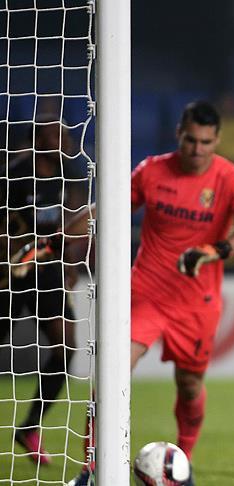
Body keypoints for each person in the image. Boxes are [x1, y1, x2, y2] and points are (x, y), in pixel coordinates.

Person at [70, 101, 234, 485]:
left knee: (190, 386)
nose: (197, 149)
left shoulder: (230, 178)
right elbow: (106, 208)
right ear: (179, 133)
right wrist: (61, 231)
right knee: (112, 374)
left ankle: (183, 460)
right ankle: (90, 468)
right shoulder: (152, 171)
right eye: (190, 140)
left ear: (217, 140)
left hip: (196, 301)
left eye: (205, 142)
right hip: (146, 292)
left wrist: (214, 250)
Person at [2, 117, 89, 466]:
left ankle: (29, 428)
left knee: (65, 345)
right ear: (37, 141)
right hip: (10, 273)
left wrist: (68, 265)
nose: (65, 140)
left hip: (47, 272)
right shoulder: (14, 176)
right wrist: (12, 253)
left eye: (66, 134)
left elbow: (66, 225)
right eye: (56, 135)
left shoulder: (68, 175)